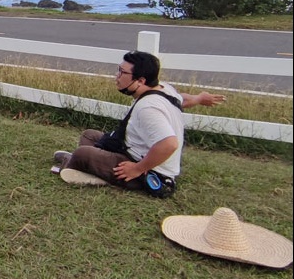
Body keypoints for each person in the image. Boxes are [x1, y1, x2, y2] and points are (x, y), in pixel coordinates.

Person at [53, 50, 226, 196]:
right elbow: (181, 100)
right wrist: (199, 98)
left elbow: (169, 144)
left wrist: (136, 168)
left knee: (83, 153)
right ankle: (92, 168)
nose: (117, 76)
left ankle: (81, 165)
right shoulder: (163, 89)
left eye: (122, 73)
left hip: (150, 173)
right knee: (89, 136)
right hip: (133, 150)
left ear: (141, 81)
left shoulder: (148, 108)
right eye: (118, 70)